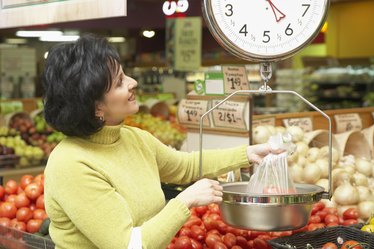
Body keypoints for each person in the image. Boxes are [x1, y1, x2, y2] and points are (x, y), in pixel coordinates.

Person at [42, 34, 278, 249]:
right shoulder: (71, 164)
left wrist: (248, 154)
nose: (133, 82)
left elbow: (185, 166)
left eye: (125, 75)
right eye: (120, 82)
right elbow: (128, 245)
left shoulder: (135, 138)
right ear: (96, 107)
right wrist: (185, 200)